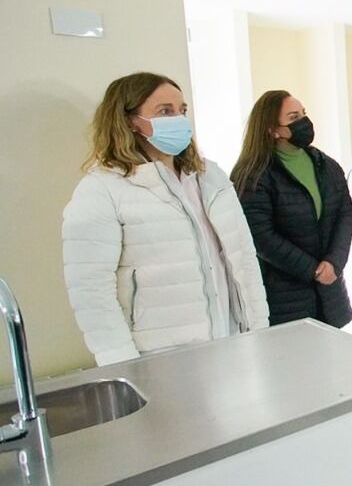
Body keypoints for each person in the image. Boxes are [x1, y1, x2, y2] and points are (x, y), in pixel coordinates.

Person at [63, 72, 269, 365]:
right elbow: (91, 291)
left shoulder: (210, 177)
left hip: (230, 341)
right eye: (165, 112)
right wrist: (123, 363)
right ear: (130, 121)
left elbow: (244, 259)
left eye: (182, 111)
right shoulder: (102, 189)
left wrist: (259, 331)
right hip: (158, 358)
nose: (179, 119)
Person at [232, 90, 352, 329]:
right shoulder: (253, 175)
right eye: (293, 117)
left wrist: (334, 262)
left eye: (303, 114)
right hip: (283, 295)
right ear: (272, 129)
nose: (304, 122)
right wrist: (312, 270)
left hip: (329, 290)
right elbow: (259, 235)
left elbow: (345, 214)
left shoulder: (325, 164)